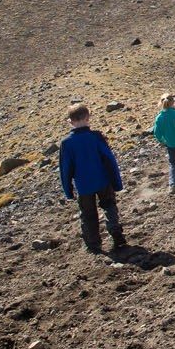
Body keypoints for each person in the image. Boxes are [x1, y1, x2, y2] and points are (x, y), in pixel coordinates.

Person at [59, 104, 126, 254]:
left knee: (88, 214)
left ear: (70, 121)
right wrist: (117, 182)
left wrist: (68, 190)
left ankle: (93, 243)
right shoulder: (96, 137)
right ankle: (114, 229)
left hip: (84, 186)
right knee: (109, 206)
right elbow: (109, 160)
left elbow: (66, 169)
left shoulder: (66, 143)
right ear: (88, 118)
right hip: (103, 180)